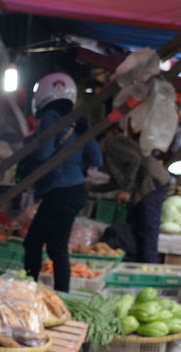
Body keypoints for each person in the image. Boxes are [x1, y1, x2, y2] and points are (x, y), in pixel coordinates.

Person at [22, 72, 103, 291]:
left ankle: (60, 297)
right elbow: (96, 158)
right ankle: (30, 288)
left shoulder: (51, 118)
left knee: (56, 248)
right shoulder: (80, 121)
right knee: (34, 242)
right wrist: (74, 160)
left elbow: (42, 154)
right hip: (74, 191)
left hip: (60, 192)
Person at [103, 127, 174, 263]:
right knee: (140, 227)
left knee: (147, 228)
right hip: (152, 179)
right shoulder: (114, 144)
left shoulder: (111, 143)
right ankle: (141, 264)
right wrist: (92, 187)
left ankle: (148, 268)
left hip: (151, 180)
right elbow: (117, 180)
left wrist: (127, 190)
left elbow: (135, 160)